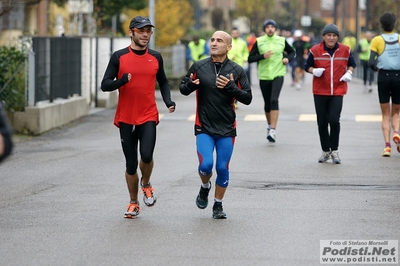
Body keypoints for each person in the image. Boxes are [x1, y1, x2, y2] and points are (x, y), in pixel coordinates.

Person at [101, 16, 176, 218]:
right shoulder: (119, 57)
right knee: (131, 164)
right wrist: (122, 81)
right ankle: (134, 202)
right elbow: (105, 84)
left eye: (148, 31)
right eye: (141, 30)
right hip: (126, 116)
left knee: (147, 155)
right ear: (131, 32)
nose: (145, 34)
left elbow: (164, 81)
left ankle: (146, 183)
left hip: (148, 114)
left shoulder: (155, 57)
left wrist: (168, 101)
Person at [179, 30, 252, 219]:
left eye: (219, 41)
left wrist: (231, 88)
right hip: (204, 126)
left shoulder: (237, 70)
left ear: (229, 47)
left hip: (227, 128)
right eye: (212, 40)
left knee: (221, 168)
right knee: (205, 165)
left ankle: (218, 205)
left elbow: (248, 98)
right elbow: (183, 88)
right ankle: (205, 187)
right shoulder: (199, 66)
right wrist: (191, 85)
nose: (214, 43)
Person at [304, 24, 356, 164]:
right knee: (322, 122)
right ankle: (325, 150)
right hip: (320, 91)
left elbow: (352, 63)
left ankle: (335, 150)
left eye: (334, 35)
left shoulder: (345, 49)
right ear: (324, 36)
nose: (331, 38)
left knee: (334, 120)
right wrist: (313, 71)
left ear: (337, 37)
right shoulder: (315, 50)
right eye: (329, 35)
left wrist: (349, 72)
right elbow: (306, 66)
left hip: (337, 91)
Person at [248, 19, 295, 142]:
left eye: (272, 27)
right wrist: (262, 56)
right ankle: (269, 126)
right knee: (267, 103)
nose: (270, 29)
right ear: (264, 29)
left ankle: (273, 129)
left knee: (274, 100)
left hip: (278, 74)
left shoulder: (281, 40)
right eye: (267, 27)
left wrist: (287, 59)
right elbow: (250, 58)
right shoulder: (259, 42)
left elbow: (292, 52)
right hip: (264, 76)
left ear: (275, 29)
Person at [368, 12, 400, 157]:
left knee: (385, 114)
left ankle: (387, 147)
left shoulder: (377, 40)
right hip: (398, 76)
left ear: (381, 25)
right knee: (396, 112)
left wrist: (377, 68)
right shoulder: (399, 38)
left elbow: (371, 62)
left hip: (383, 77)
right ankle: (397, 133)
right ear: (395, 24)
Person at [227, 27, 249, 108]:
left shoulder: (242, 43)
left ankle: (236, 101)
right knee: (230, 83)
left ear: (239, 34)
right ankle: (230, 100)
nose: (235, 34)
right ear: (231, 34)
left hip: (239, 66)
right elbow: (225, 52)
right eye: (233, 33)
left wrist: (245, 58)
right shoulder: (228, 42)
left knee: (237, 84)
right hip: (229, 65)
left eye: (236, 33)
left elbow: (246, 52)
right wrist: (229, 56)